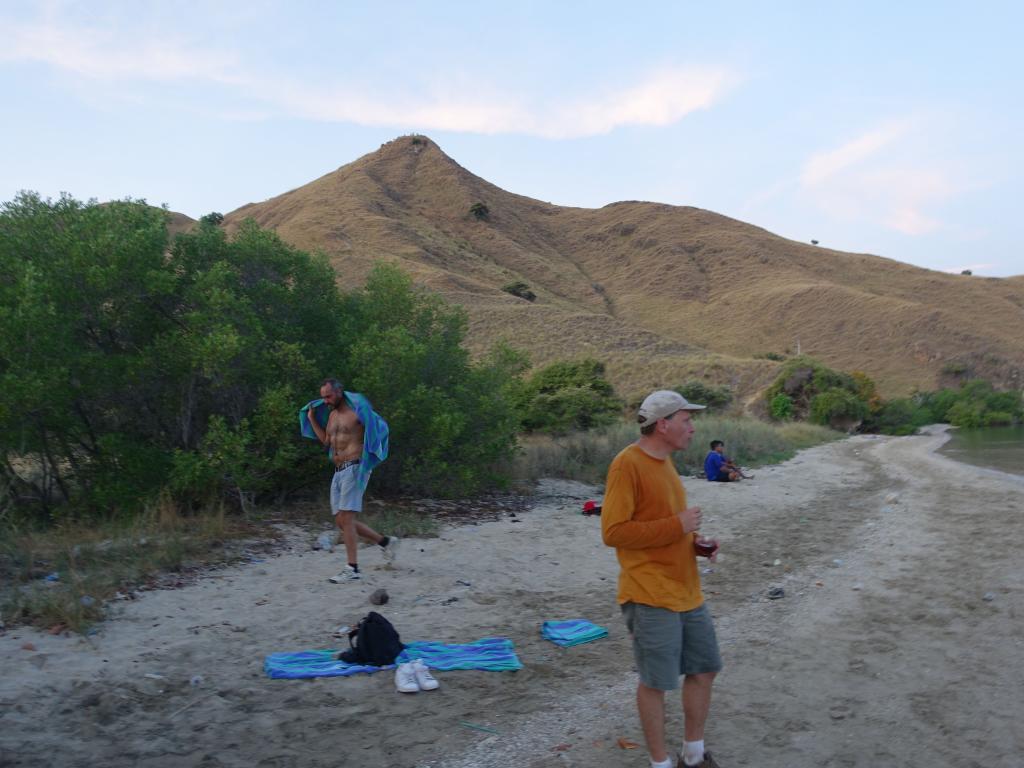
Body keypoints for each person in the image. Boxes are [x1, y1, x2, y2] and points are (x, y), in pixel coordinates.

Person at [602, 390, 723, 768]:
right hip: (649, 593)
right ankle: (660, 763)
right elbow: (614, 531)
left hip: (687, 589)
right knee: (656, 682)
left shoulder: (666, 462)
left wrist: (695, 543)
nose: (693, 427)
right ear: (664, 424)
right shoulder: (628, 465)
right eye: (687, 420)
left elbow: (663, 527)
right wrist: (677, 525)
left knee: (704, 669)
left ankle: (693, 754)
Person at [304, 378, 397, 582]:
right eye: (323, 397)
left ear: (339, 392)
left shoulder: (357, 412)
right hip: (338, 471)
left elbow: (378, 427)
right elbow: (327, 442)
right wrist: (311, 419)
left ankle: (352, 569)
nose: (326, 400)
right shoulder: (332, 416)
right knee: (342, 521)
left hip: (355, 468)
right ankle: (385, 542)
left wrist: (372, 453)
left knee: (346, 519)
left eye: (328, 396)